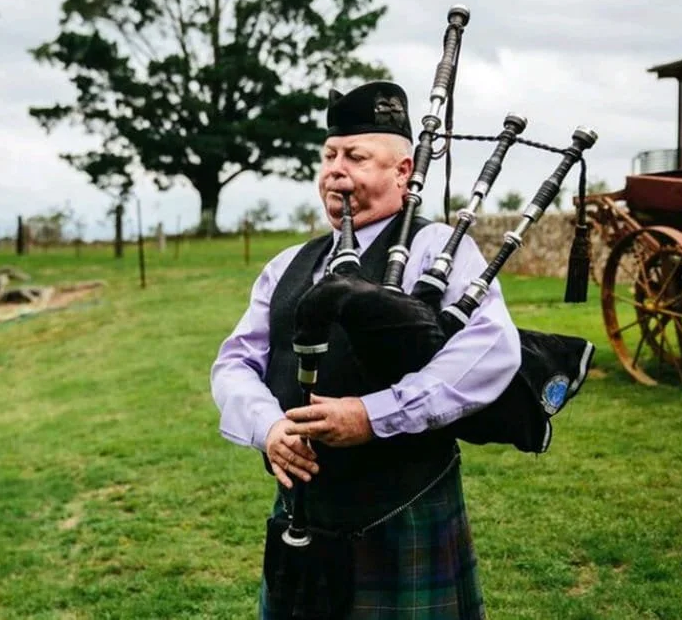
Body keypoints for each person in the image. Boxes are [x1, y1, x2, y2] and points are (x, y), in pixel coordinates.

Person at [210, 80, 521, 619]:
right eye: (329, 155)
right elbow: (236, 360)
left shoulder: (438, 251)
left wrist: (372, 416)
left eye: (355, 157)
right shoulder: (289, 264)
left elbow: (490, 352)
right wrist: (269, 427)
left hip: (403, 510)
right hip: (304, 514)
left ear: (403, 172)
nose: (335, 170)